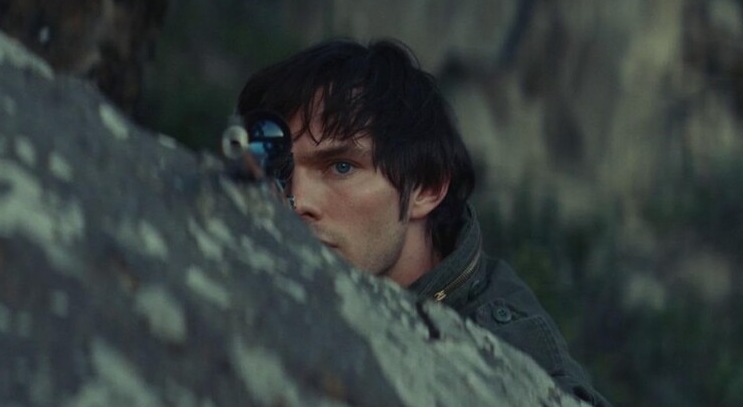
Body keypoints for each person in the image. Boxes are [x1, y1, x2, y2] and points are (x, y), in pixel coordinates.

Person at [237, 37, 609, 406]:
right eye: (280, 169)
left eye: (342, 167)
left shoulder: (507, 355)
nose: (298, 200)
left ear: (426, 188)